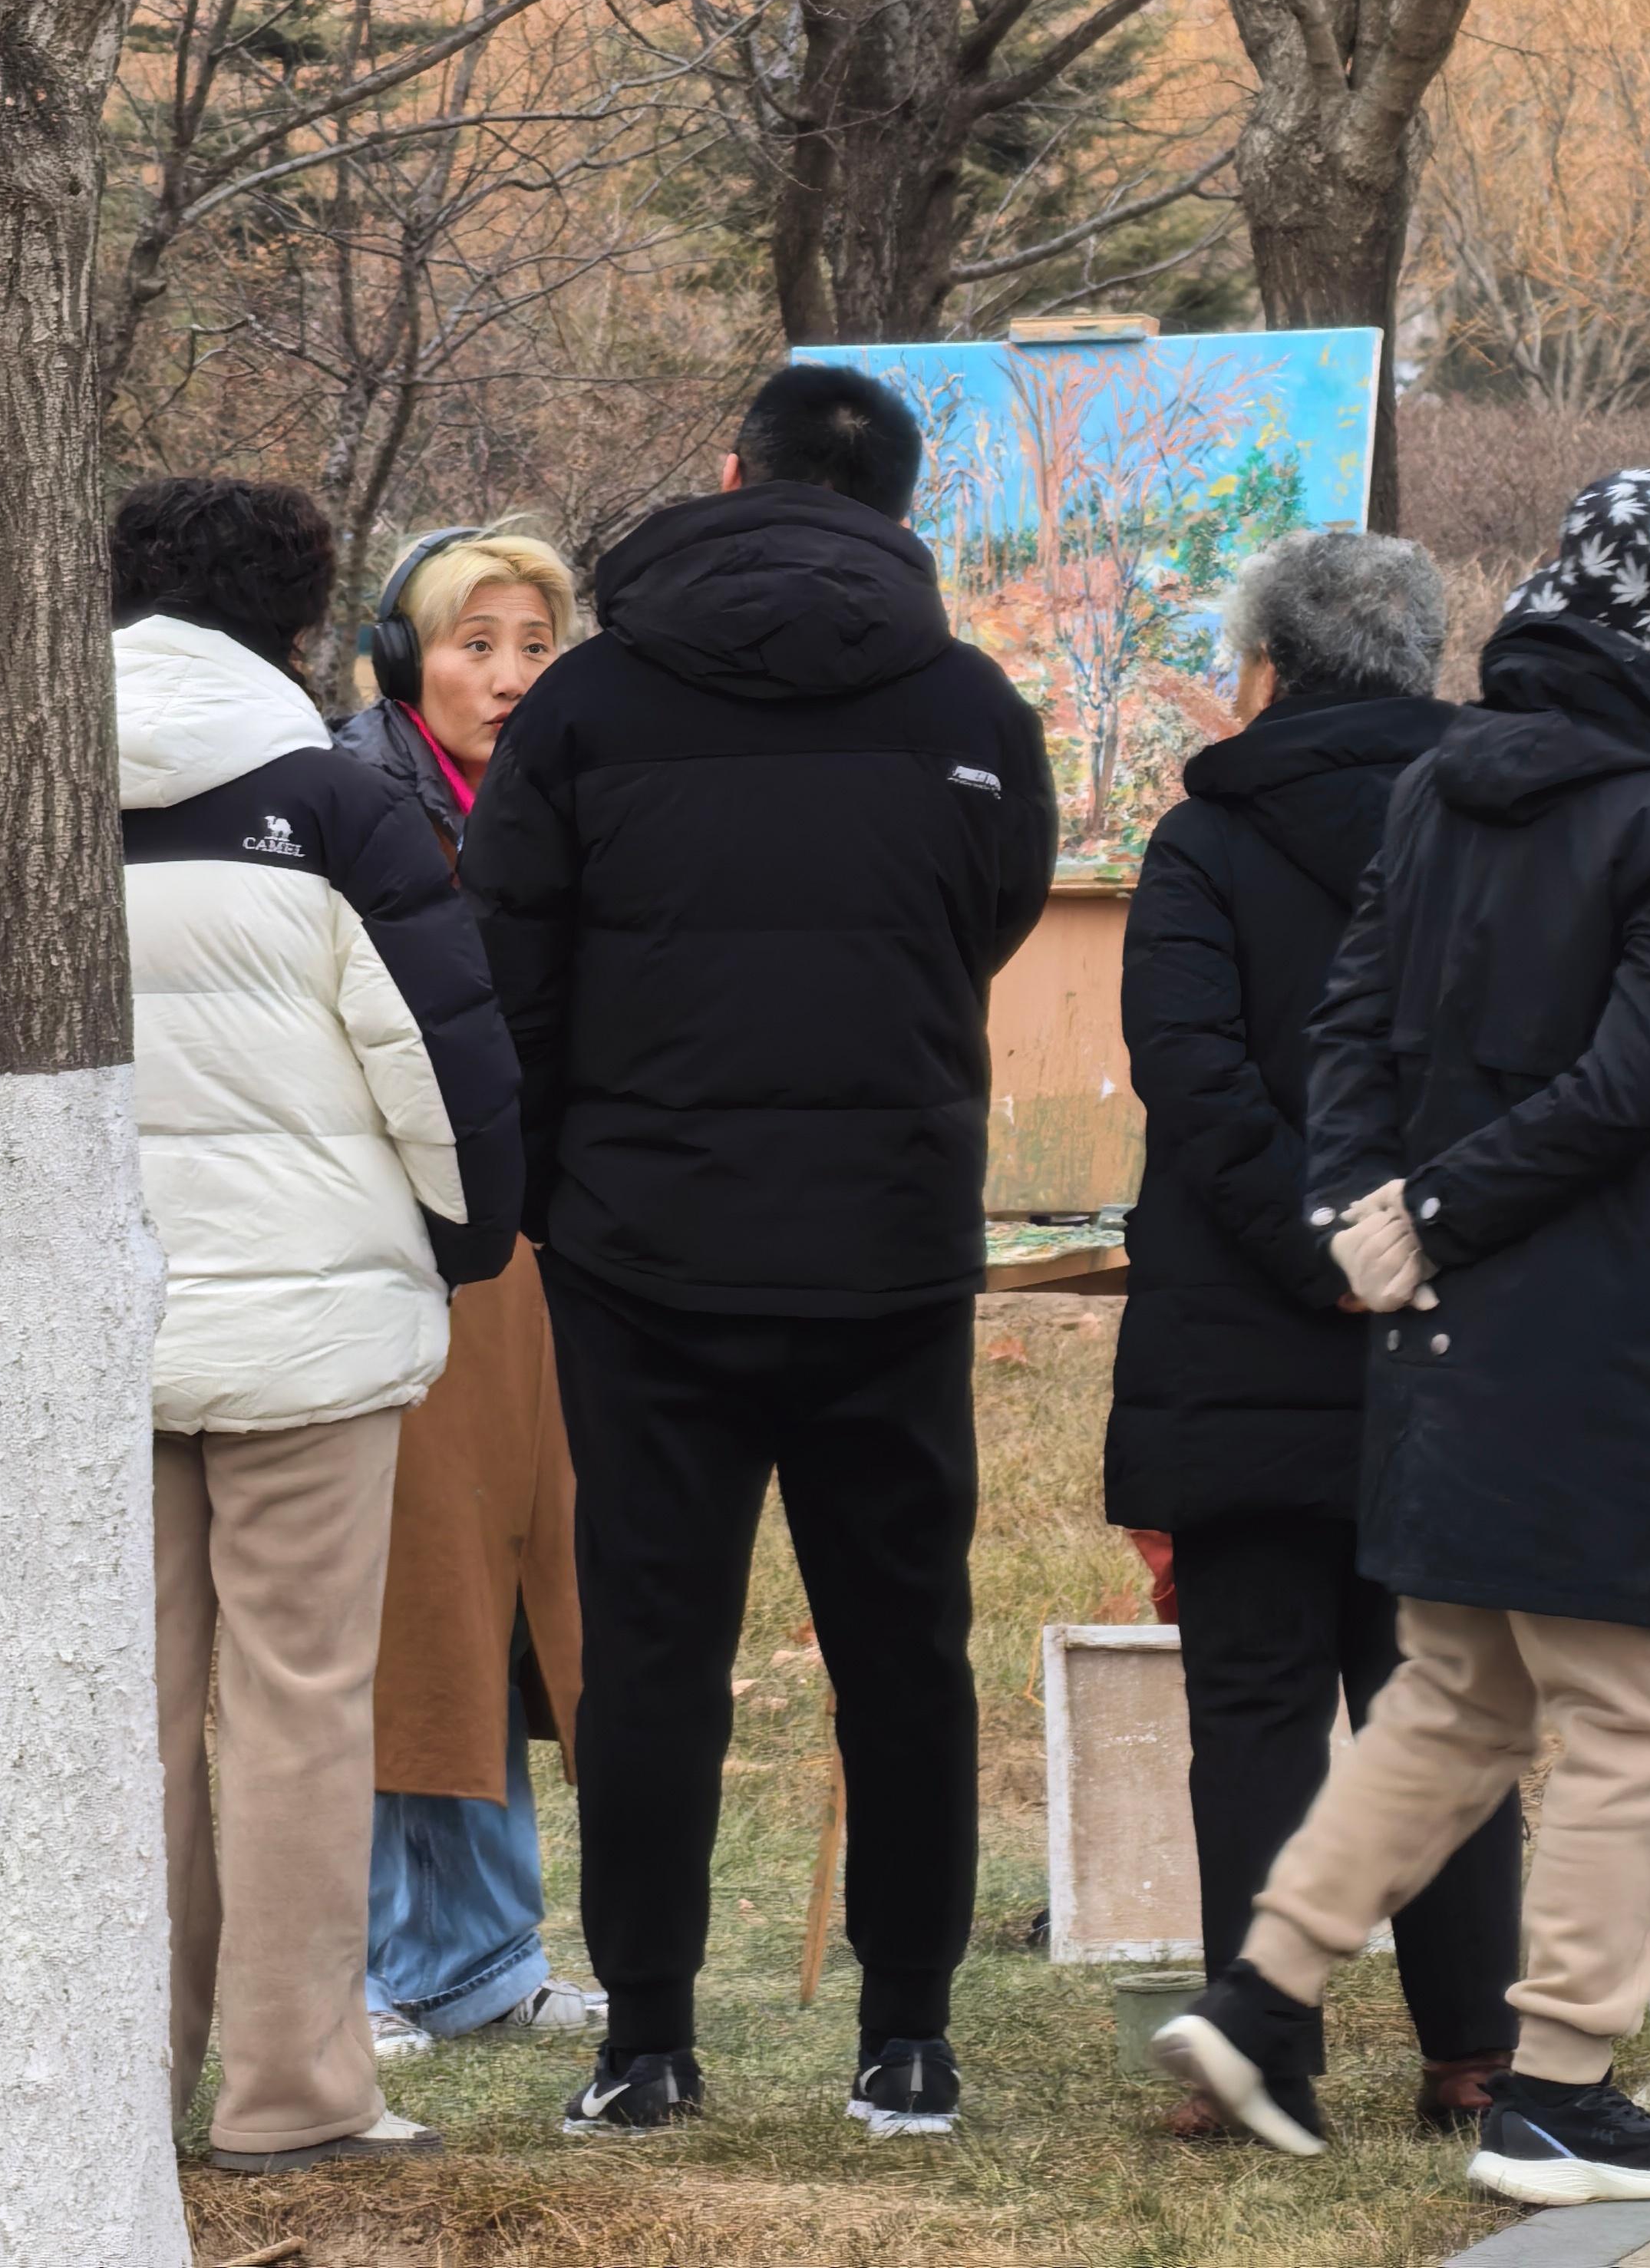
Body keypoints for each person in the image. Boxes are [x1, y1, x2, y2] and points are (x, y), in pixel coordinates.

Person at [1156, 470, 1650, 2214]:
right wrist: (1446, 1206)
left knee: (1453, 1698)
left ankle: (1263, 1994)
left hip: (1433, 1328)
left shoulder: (1440, 789)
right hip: (1606, 1327)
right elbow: (1635, 1079)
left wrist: (1368, 1208)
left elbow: (1351, 1017)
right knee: (1641, 1717)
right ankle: (1560, 2086)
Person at [464, 362, 1055, 2147]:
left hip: (644, 1248)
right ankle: (910, 2042)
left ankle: (646, 2041)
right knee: (906, 1643)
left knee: (650, 1649)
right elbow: (992, 915)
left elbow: (513, 970)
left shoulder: (586, 705)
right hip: (889, 1240)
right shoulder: (968, 700)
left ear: (734, 475)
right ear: (901, 508)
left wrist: (556, 1183)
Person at [0, 477, 521, 2178]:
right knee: (302, 1706)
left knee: (129, 1710)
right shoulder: (342, 809)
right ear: (311, 623)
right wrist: (457, 1251)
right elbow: (447, 1076)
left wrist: (27, 1261)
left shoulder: (18, 818)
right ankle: (294, 2097)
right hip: (313, 1336)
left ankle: (117, 2081)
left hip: (102, 1335)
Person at [1105, 528, 1520, 2144]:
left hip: (1240, 1331)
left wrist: (1313, 1240)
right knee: (1452, 1698)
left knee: (1256, 1703)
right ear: (1422, 668)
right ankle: (1477, 2056)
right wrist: (1413, 1238)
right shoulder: (1507, 828)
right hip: (1458, 1322)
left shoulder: (1203, 844)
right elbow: (1528, 1058)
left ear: (1263, 674)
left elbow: (1189, 1070)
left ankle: (1264, 2056)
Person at [335, 529, 600, 2058]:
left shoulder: (559, 799)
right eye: (471, 641)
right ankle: (396, 1962)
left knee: (510, 1593)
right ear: (402, 654)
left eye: (532, 644)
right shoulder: (354, 806)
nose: (504, 677)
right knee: (418, 1601)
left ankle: (487, 1954)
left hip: (535, 1247)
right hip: (399, 1237)